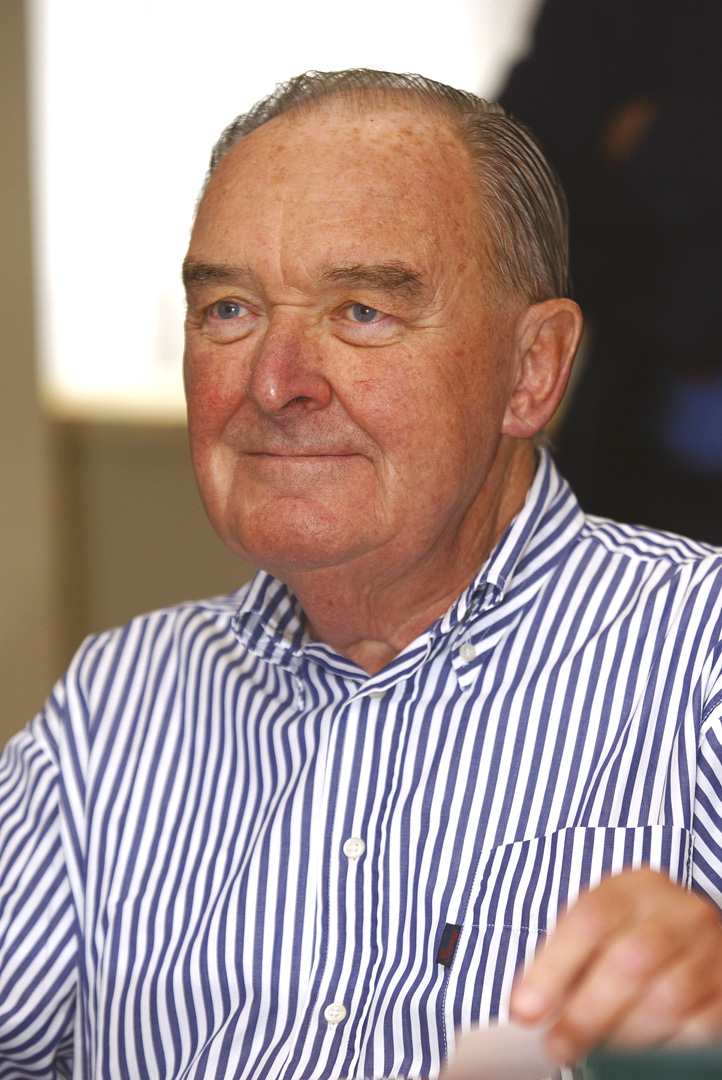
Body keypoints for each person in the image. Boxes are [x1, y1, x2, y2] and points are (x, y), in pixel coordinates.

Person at [1, 69, 722, 1080]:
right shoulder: (117, 701)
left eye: (362, 312)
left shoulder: (699, 657)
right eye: (228, 309)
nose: (274, 381)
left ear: (531, 370)